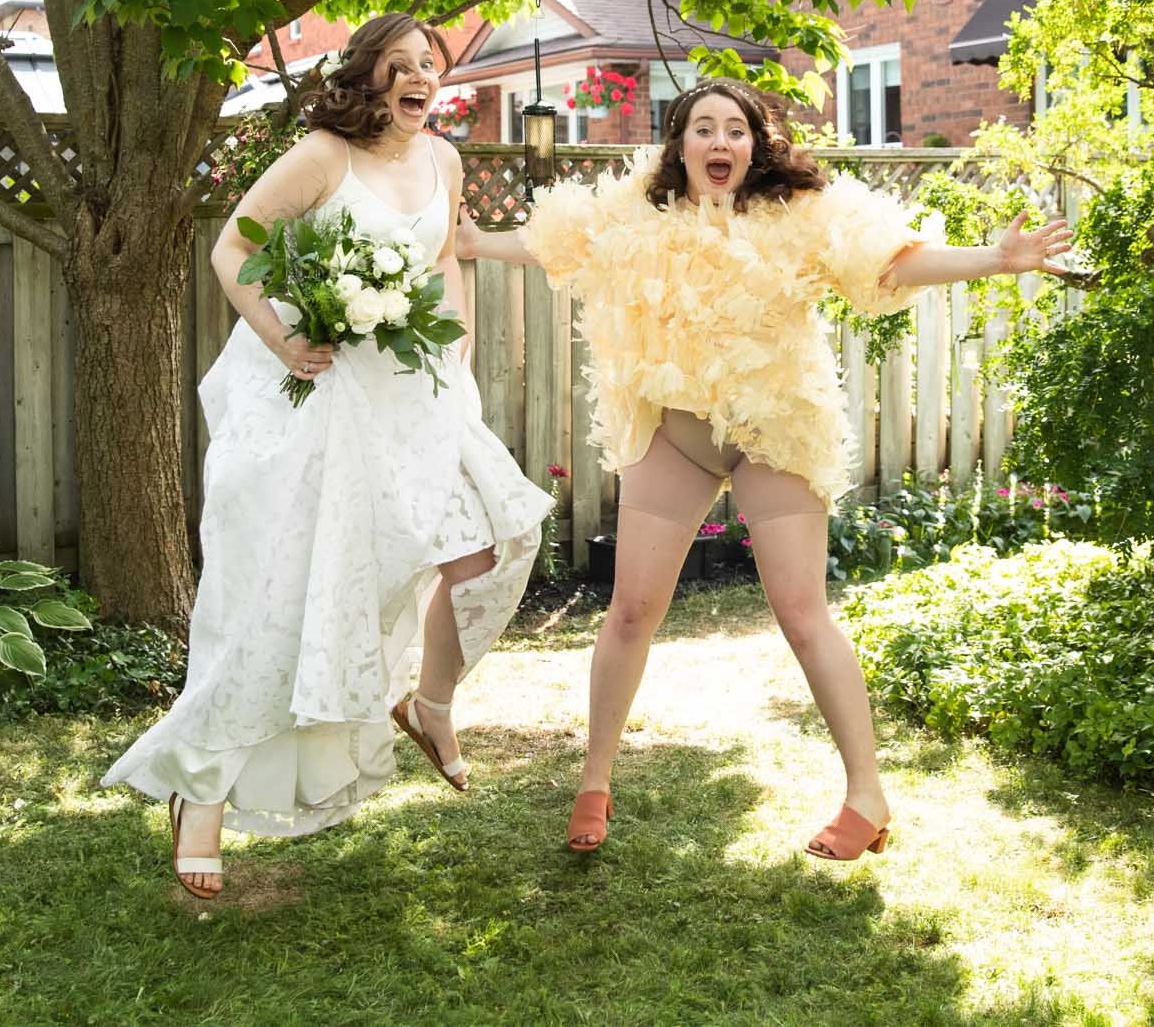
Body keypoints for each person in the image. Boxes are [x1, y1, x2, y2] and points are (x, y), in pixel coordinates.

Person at [457, 78, 1071, 859]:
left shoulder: (801, 217)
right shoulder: (635, 211)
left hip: (773, 431)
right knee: (633, 608)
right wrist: (478, 245)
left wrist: (998, 257)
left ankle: (867, 794)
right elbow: (556, 244)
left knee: (801, 612)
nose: (721, 143)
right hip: (676, 431)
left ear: (756, 145)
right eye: (704, 129)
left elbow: (892, 262)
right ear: (678, 143)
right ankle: (595, 780)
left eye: (736, 131)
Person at [103, 13, 552, 898]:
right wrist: (283, 339)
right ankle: (201, 797)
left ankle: (427, 701)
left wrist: (453, 342)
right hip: (316, 404)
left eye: (431, 64)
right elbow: (235, 247)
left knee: (489, 547)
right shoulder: (321, 157)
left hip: (416, 396)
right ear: (368, 78)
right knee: (278, 601)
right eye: (401, 64)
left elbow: (443, 263)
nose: (421, 77)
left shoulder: (447, 162)